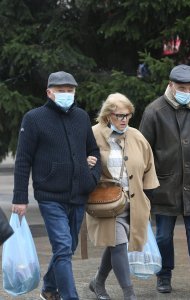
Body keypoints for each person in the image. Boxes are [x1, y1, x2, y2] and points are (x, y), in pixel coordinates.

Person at [12, 71, 101, 300]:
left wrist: (91, 177)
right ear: (49, 92)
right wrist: (19, 198)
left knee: (67, 248)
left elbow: (93, 151)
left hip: (78, 193)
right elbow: (23, 160)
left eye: (70, 91)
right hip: (50, 196)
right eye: (61, 91)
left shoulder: (81, 117)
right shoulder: (33, 119)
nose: (66, 95)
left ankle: (49, 288)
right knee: (62, 247)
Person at [139, 64, 190, 299]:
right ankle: (164, 275)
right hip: (164, 185)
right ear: (171, 85)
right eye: (182, 87)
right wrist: (145, 181)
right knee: (163, 234)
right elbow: (142, 150)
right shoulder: (154, 111)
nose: (187, 91)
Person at [86, 92, 159, 300]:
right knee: (118, 245)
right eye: (119, 115)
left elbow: (149, 167)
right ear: (108, 115)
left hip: (133, 203)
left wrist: (148, 198)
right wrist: (86, 164)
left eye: (128, 115)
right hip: (107, 202)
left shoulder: (136, 136)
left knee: (115, 244)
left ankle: (98, 282)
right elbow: (81, 162)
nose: (124, 119)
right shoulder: (92, 134)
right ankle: (129, 294)